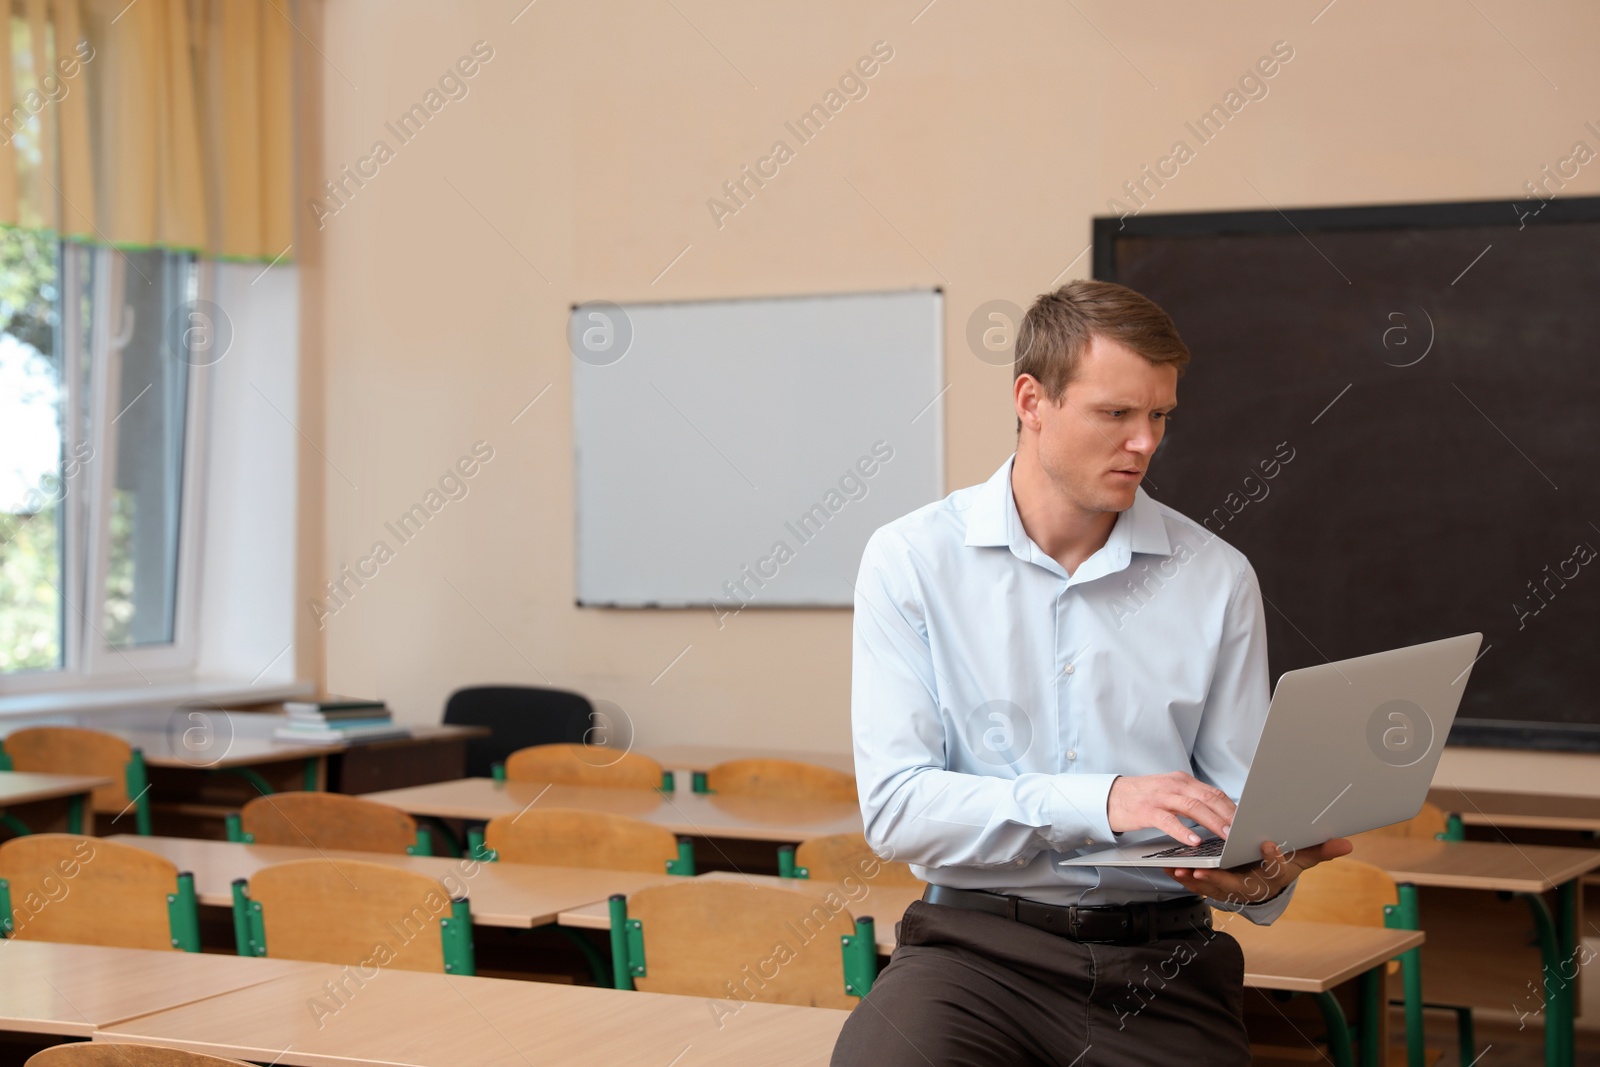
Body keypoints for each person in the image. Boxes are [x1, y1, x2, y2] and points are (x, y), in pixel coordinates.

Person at [831, 280, 1351, 1066]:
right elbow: (898, 808)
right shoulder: (910, 561)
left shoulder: (1217, 577)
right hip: (971, 955)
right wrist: (1103, 799)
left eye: (1160, 415)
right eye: (1116, 414)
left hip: (1162, 965)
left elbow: (1239, 814)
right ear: (1031, 400)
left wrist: (1262, 875)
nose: (1144, 442)